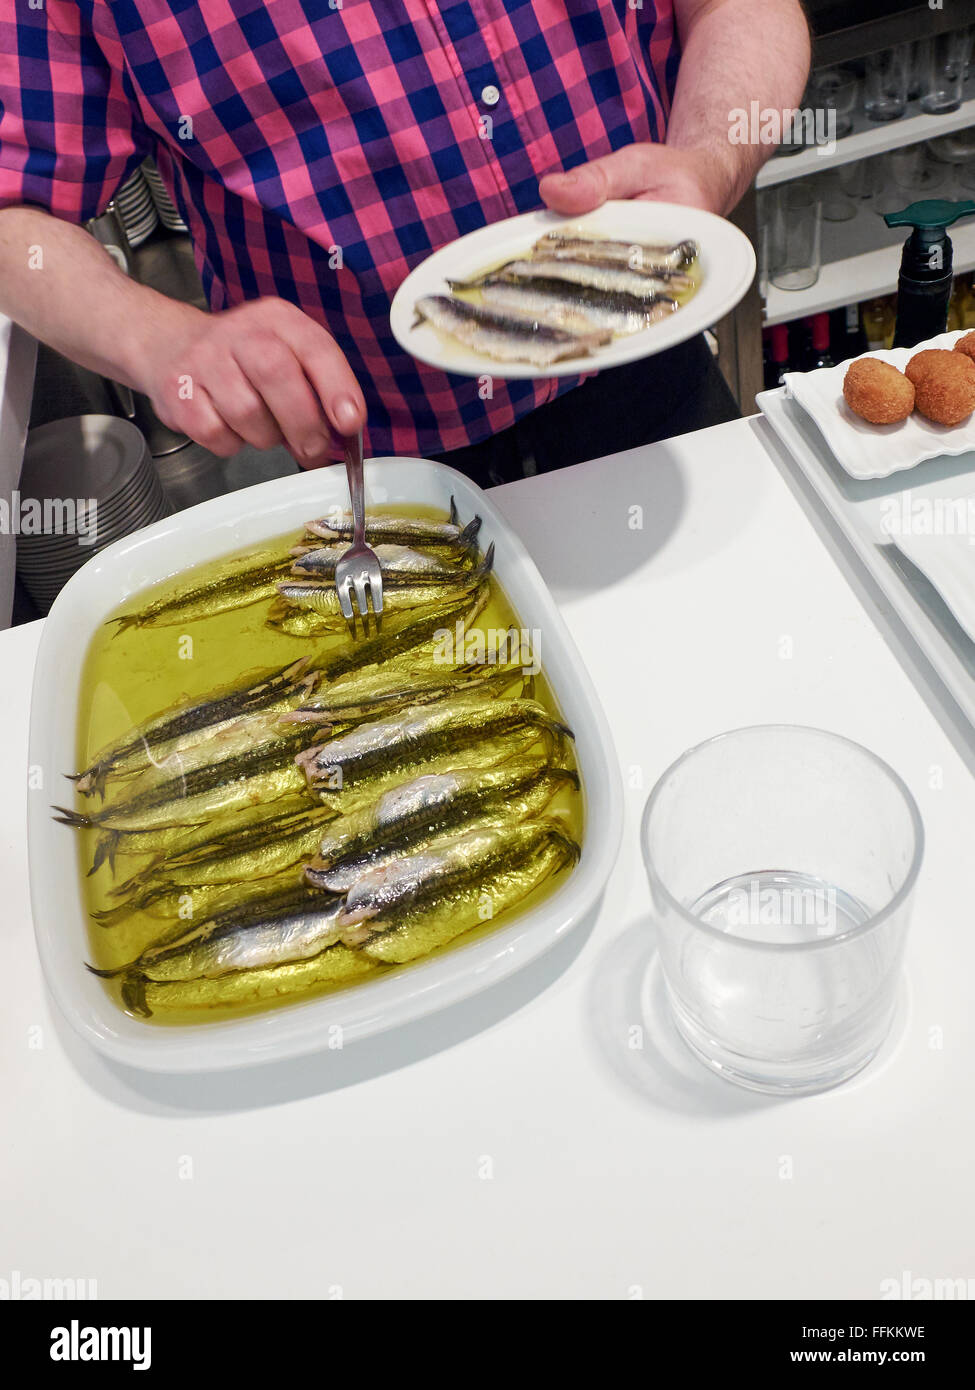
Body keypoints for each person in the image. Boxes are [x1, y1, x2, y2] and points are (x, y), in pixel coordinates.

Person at [0, 1, 809, 486]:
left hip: (645, 360)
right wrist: (157, 336)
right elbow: (14, 207)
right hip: (366, 440)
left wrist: (708, 160)